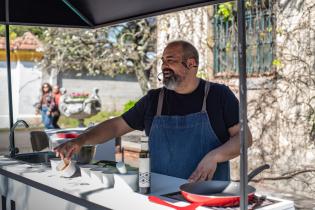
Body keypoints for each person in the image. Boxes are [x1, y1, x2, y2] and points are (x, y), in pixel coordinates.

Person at [54, 40, 252, 182]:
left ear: (191, 64)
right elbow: (115, 126)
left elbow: (244, 138)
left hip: (207, 197)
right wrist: (80, 140)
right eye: (163, 61)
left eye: (171, 61)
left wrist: (215, 156)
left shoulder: (219, 95)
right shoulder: (154, 100)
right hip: (159, 195)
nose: (164, 66)